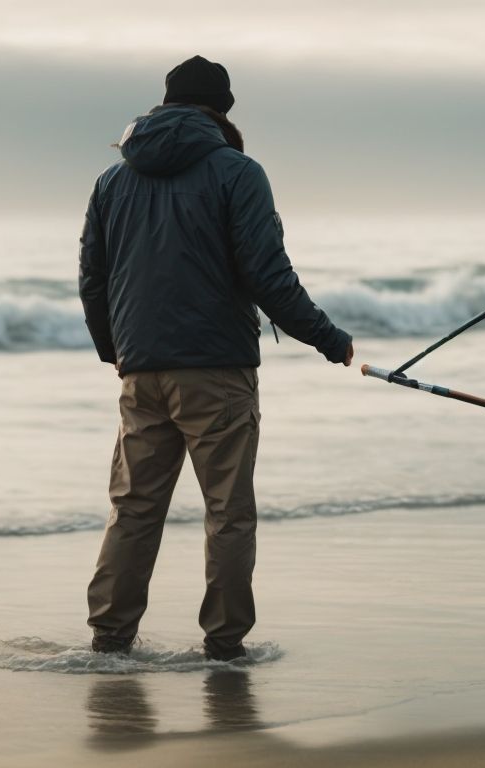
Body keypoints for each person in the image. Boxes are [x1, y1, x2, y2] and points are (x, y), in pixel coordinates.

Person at [79, 55, 354, 661]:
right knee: (228, 512)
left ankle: (109, 639)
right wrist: (329, 339)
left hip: (141, 369)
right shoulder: (238, 172)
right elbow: (268, 276)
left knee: (134, 508)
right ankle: (225, 645)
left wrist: (116, 352)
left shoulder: (111, 180)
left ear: (164, 104)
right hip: (216, 370)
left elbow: (92, 279)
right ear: (222, 111)